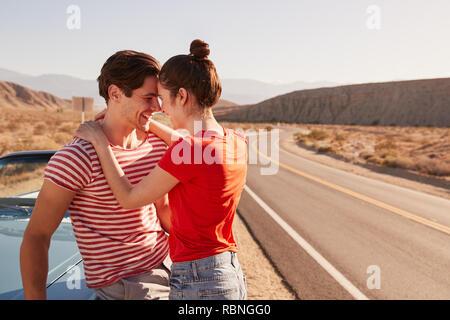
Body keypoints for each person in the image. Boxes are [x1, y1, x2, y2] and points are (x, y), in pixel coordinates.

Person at [75, 39, 248, 300]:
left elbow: (129, 198)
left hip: (197, 279)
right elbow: (190, 146)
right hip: (229, 272)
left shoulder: (188, 152)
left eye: (163, 99)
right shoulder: (235, 140)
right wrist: (150, 125)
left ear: (182, 95)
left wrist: (100, 143)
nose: (160, 109)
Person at [20, 50, 172, 300]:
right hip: (130, 288)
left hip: (170, 267)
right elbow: (37, 235)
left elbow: (163, 211)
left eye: (159, 98)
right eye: (148, 98)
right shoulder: (76, 158)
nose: (157, 107)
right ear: (114, 94)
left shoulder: (156, 145)